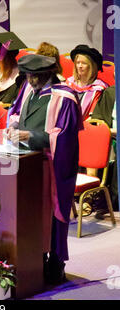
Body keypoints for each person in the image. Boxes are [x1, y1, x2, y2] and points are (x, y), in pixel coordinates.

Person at [6, 54, 82, 284]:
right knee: (32, 211)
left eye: (33, 76)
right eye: (27, 75)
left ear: (46, 74)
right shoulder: (29, 90)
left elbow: (66, 137)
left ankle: (56, 262)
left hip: (54, 164)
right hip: (29, 162)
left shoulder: (65, 98)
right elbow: (16, 111)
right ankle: (36, 257)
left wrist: (32, 136)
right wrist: (14, 125)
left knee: (54, 212)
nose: (29, 80)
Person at [91, 83, 118, 218]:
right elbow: (98, 118)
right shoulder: (110, 93)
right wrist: (107, 131)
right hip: (110, 137)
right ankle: (96, 196)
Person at [66, 44, 108, 120]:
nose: (80, 66)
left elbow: (94, 116)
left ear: (92, 66)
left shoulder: (98, 88)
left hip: (87, 127)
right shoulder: (69, 83)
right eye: (78, 63)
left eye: (84, 63)